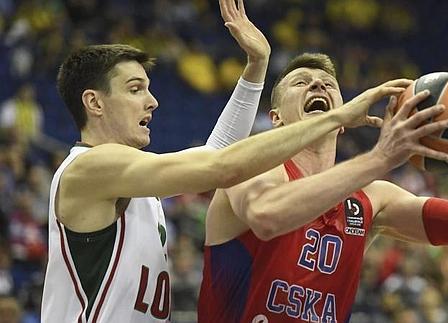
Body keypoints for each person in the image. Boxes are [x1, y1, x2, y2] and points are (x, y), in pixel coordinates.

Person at [40, 0, 409, 321]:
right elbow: (222, 167)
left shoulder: (133, 179)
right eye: (135, 89)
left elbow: (216, 155)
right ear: (94, 102)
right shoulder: (89, 168)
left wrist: (257, 65)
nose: (152, 101)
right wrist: (337, 117)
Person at [199, 53, 448, 322]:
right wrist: (380, 158)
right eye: (300, 82)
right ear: (276, 118)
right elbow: (267, 216)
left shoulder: (371, 199)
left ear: (346, 118)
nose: (318, 84)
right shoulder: (248, 167)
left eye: (328, 83)